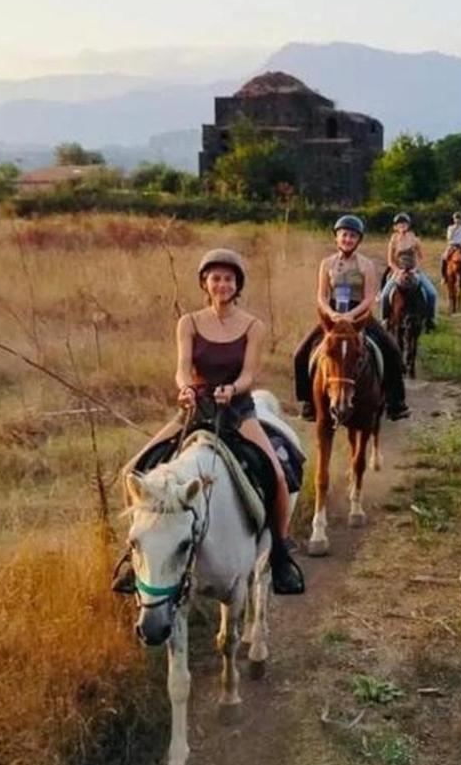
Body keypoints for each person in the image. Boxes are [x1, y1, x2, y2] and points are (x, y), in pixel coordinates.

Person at [128, 248, 304, 595]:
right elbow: (182, 368)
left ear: (238, 284)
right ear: (204, 283)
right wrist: (186, 389)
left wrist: (232, 389)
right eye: (215, 278)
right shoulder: (189, 323)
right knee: (131, 470)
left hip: (237, 412)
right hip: (196, 409)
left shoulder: (253, 326)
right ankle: (135, 554)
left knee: (279, 476)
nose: (222, 285)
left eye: (228, 279)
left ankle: (281, 555)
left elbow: (249, 374)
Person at [293, 215, 411, 423]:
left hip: (360, 316)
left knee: (392, 349)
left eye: (353, 236)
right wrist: (331, 314)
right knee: (300, 353)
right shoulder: (326, 263)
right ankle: (309, 402)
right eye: (344, 235)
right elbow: (321, 296)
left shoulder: (366, 264)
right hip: (332, 317)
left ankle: (396, 403)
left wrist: (351, 315)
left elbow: (369, 297)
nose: (348, 239)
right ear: (337, 237)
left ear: (358, 240)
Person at [379, 212, 437, 330]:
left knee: (432, 293)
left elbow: (421, 257)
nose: (402, 226)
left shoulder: (415, 239)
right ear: (395, 227)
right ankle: (385, 319)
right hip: (398, 272)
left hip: (414, 271)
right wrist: (398, 271)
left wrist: (415, 269)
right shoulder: (393, 241)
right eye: (399, 224)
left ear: (408, 225)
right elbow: (390, 261)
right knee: (385, 295)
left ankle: (430, 319)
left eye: (404, 224)